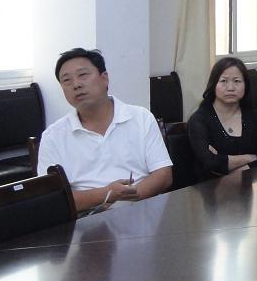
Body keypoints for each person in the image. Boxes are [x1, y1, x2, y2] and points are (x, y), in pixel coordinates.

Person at [37, 48, 173, 212]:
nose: (76, 84)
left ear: (104, 78)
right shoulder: (53, 136)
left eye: (83, 75)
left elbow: (163, 174)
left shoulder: (141, 117)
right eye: (67, 80)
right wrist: (107, 194)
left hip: (141, 209)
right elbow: (51, 198)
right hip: (86, 219)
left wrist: (129, 197)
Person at [187, 57, 257, 178]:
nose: (231, 87)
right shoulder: (199, 120)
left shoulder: (254, 118)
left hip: (248, 186)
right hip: (208, 187)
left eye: (237, 81)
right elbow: (210, 162)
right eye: (224, 81)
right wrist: (250, 157)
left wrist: (233, 170)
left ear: (245, 85)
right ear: (214, 84)